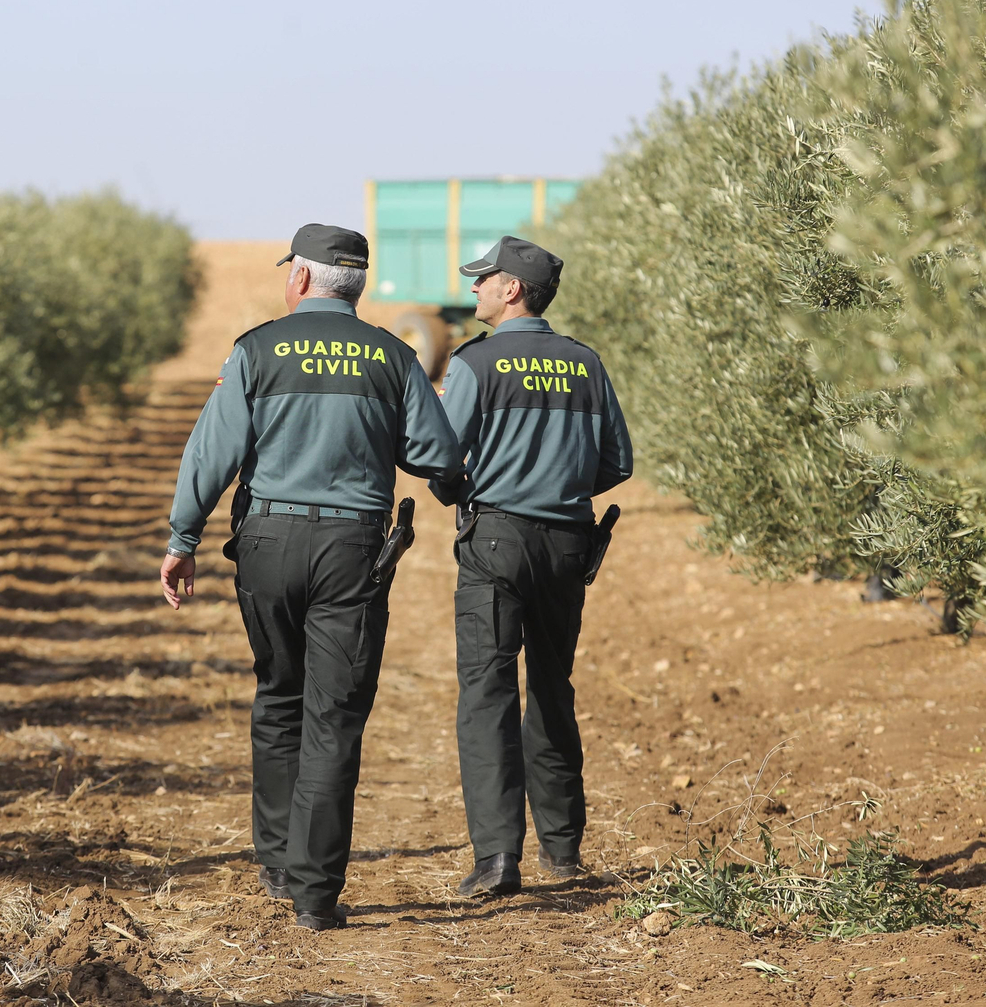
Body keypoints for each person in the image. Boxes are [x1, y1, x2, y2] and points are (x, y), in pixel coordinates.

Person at [160, 224, 462, 930]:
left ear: (299, 279)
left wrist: (183, 538)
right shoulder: (392, 355)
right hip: (352, 549)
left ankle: (273, 863)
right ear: (354, 286)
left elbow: (212, 450)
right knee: (335, 719)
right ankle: (315, 895)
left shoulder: (256, 350)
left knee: (277, 697)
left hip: (266, 541)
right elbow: (434, 453)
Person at [430, 235, 632, 898]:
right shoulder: (585, 364)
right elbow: (617, 464)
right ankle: (564, 850)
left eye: (483, 279)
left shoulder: (476, 364)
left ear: (511, 288)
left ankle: (496, 860)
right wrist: (559, 482)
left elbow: (441, 457)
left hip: (497, 543)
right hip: (569, 545)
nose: (474, 289)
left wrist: (461, 490)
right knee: (553, 687)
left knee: (487, 694)